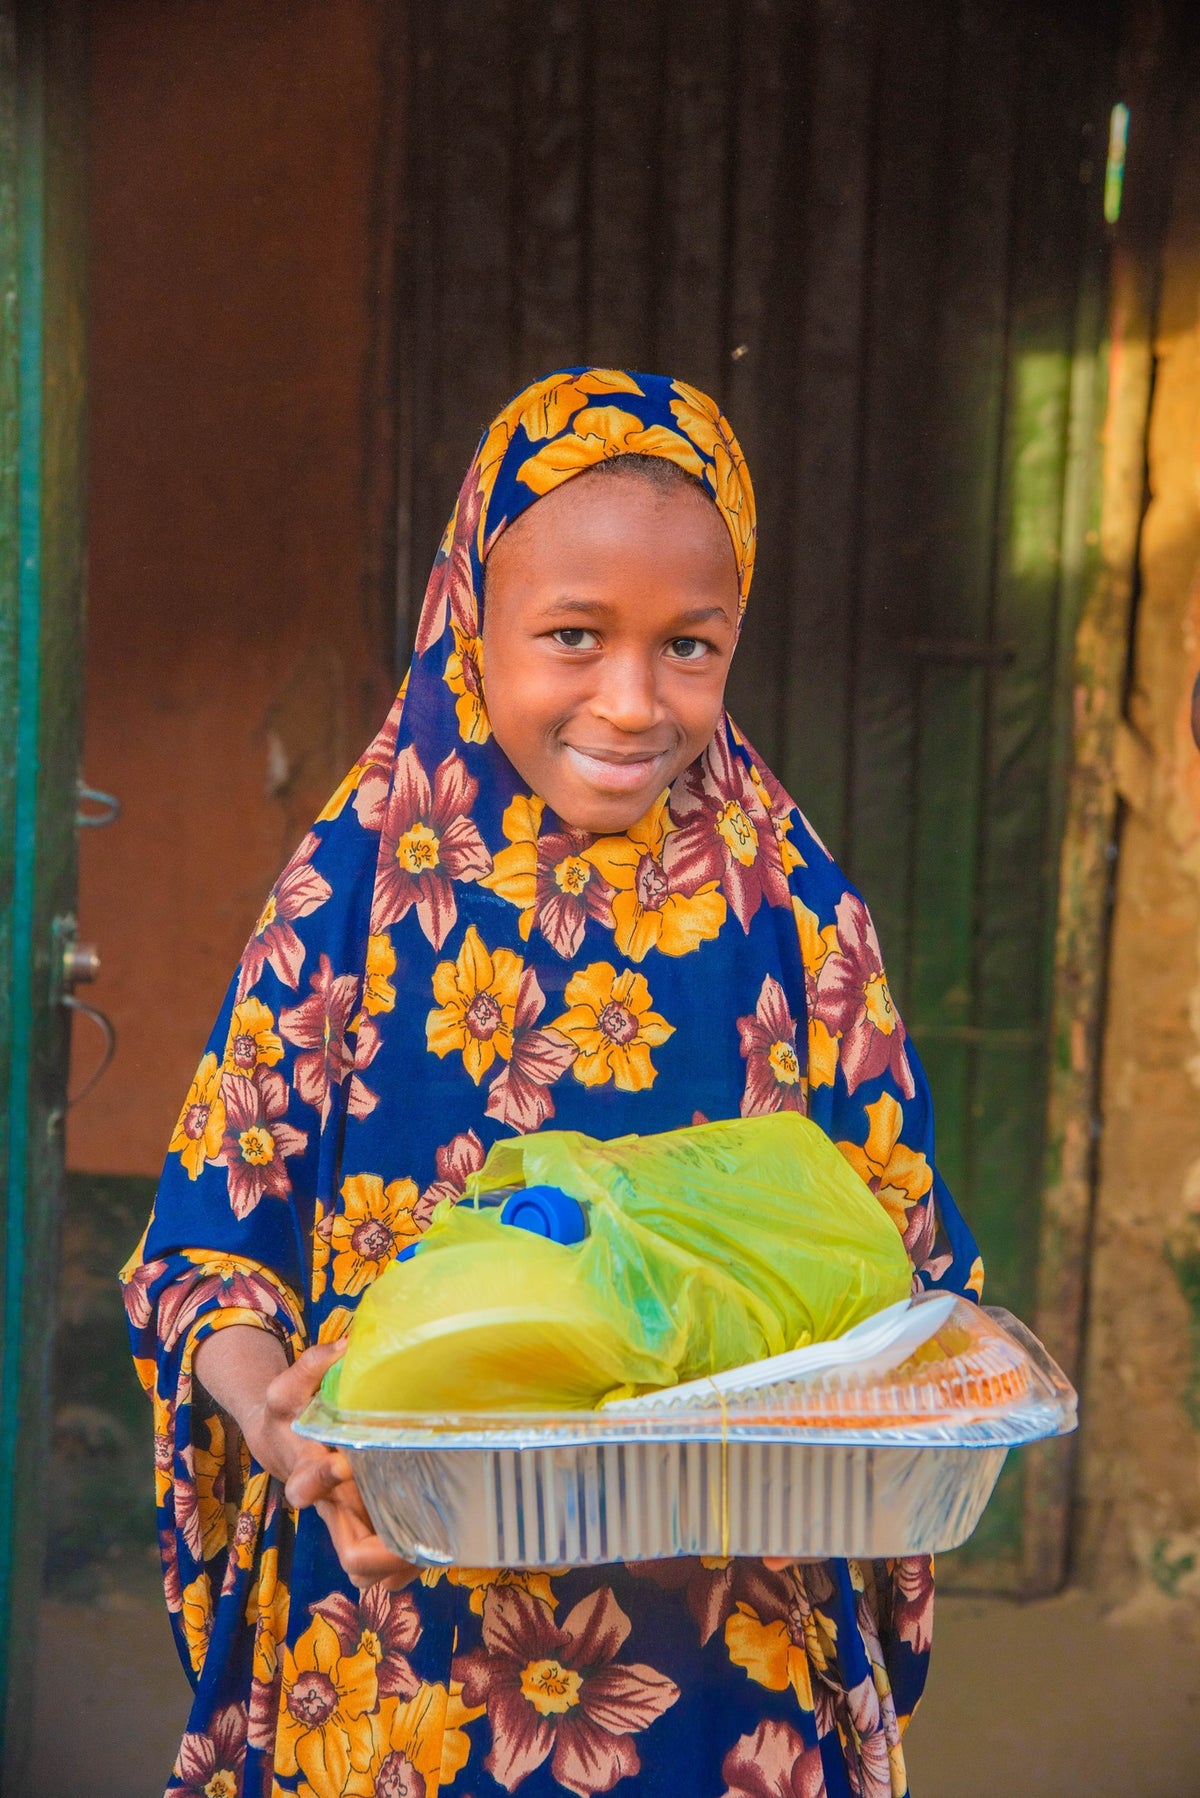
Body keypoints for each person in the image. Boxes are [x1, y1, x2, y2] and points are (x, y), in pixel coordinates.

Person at [123, 367, 982, 1798]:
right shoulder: (350, 894)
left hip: (721, 1665)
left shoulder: (797, 912)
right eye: (573, 636)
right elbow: (205, 1258)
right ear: (472, 618)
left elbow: (902, 1278)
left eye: (692, 647)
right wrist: (276, 1410)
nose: (634, 702)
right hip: (397, 1656)